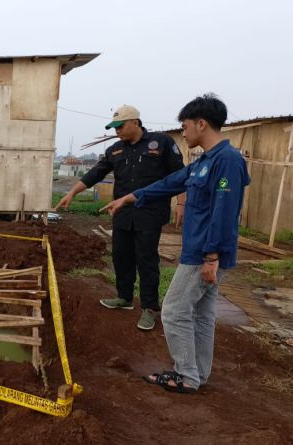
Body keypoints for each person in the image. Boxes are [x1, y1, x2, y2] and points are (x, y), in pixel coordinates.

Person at [101, 94, 250, 393]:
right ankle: (198, 374)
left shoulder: (227, 161)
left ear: (201, 123)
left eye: (184, 125)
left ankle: (186, 375)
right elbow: (169, 184)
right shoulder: (204, 162)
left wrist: (211, 257)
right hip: (200, 251)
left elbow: (224, 212)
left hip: (203, 253)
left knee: (173, 310)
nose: (182, 132)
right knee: (201, 314)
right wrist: (130, 197)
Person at [56, 105, 185, 330]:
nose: (117, 131)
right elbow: (95, 173)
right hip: (122, 213)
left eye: (120, 126)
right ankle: (124, 297)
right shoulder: (116, 150)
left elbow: (179, 174)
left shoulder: (161, 143)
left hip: (150, 212)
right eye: (114, 128)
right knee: (121, 256)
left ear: (135, 122)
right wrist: (71, 193)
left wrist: (182, 203)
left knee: (146, 260)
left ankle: (150, 308)